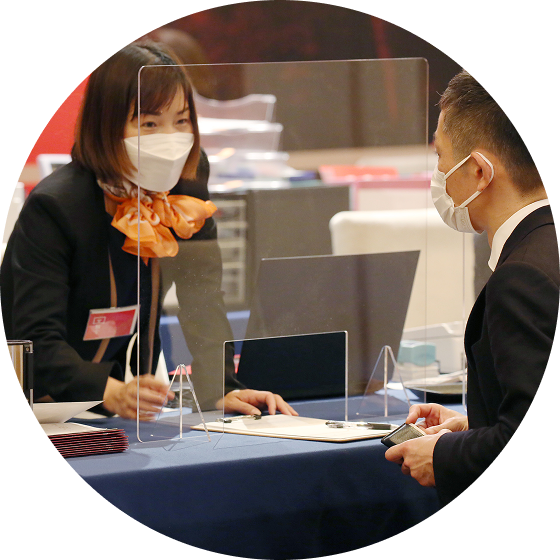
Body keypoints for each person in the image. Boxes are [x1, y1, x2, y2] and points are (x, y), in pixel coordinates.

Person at [1, 40, 296, 420]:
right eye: (150, 124)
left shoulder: (188, 179)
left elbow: (202, 296)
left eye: (182, 121)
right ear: (106, 125)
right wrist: (107, 391)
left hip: (121, 404)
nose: (170, 139)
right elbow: (34, 340)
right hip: (45, 400)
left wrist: (221, 388)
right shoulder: (56, 206)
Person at [385, 70, 559, 507]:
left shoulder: (523, 278)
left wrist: (444, 454)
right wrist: (476, 425)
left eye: (441, 157)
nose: (439, 174)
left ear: (479, 171)